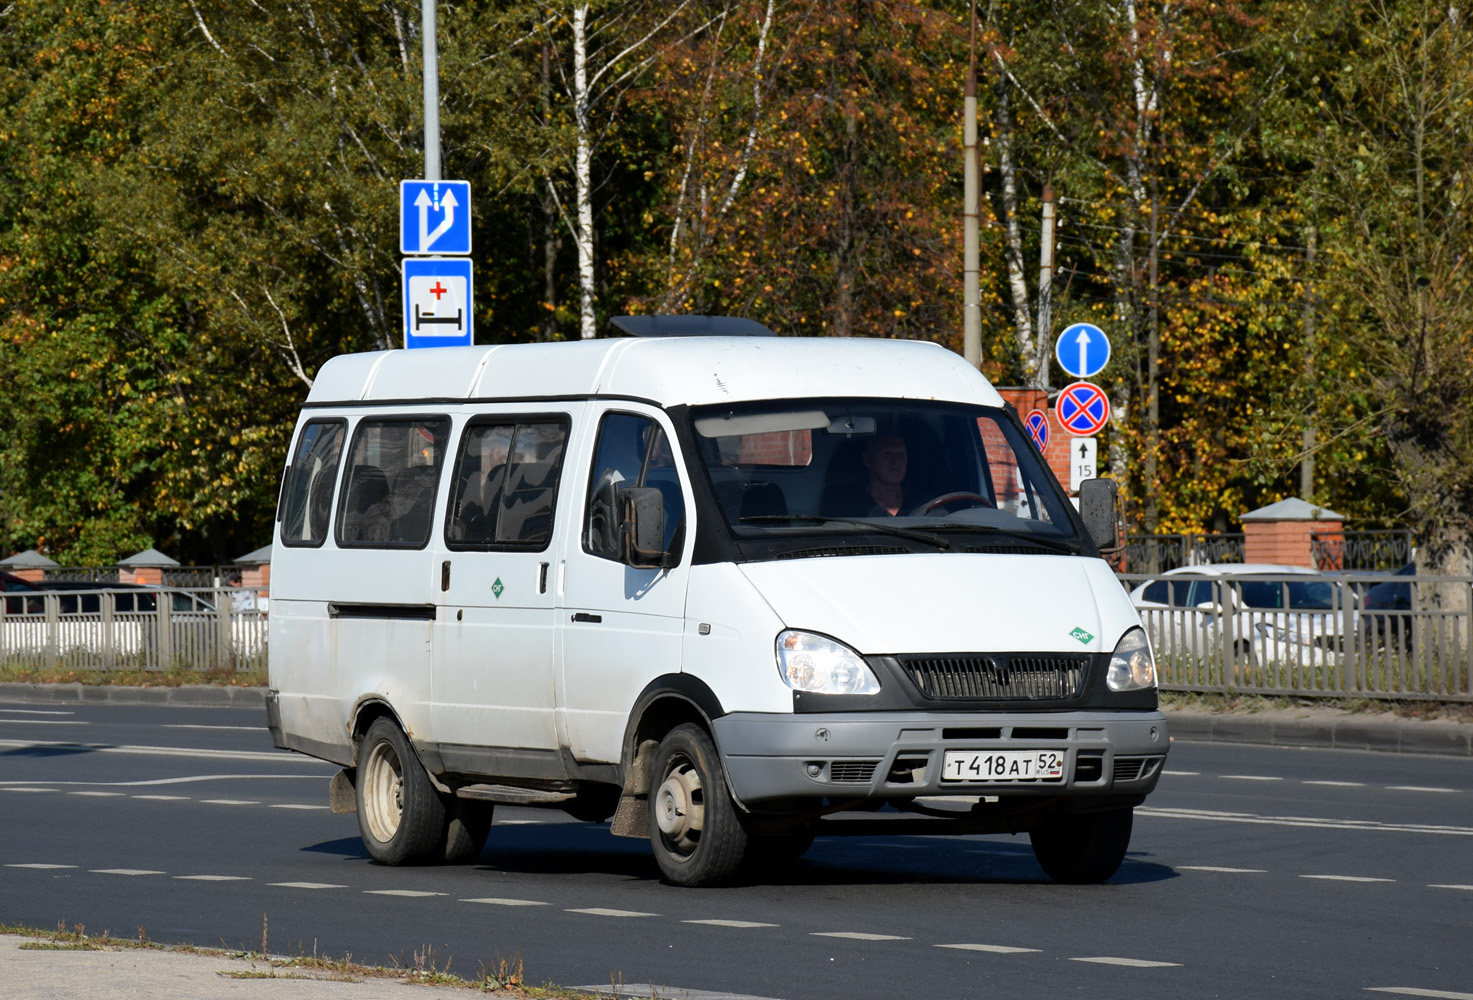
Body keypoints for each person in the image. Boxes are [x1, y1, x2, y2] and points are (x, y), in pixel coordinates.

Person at [860, 433, 908, 516]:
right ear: (867, 460)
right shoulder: (850, 508)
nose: (896, 461)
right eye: (887, 454)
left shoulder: (924, 503)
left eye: (901, 454)